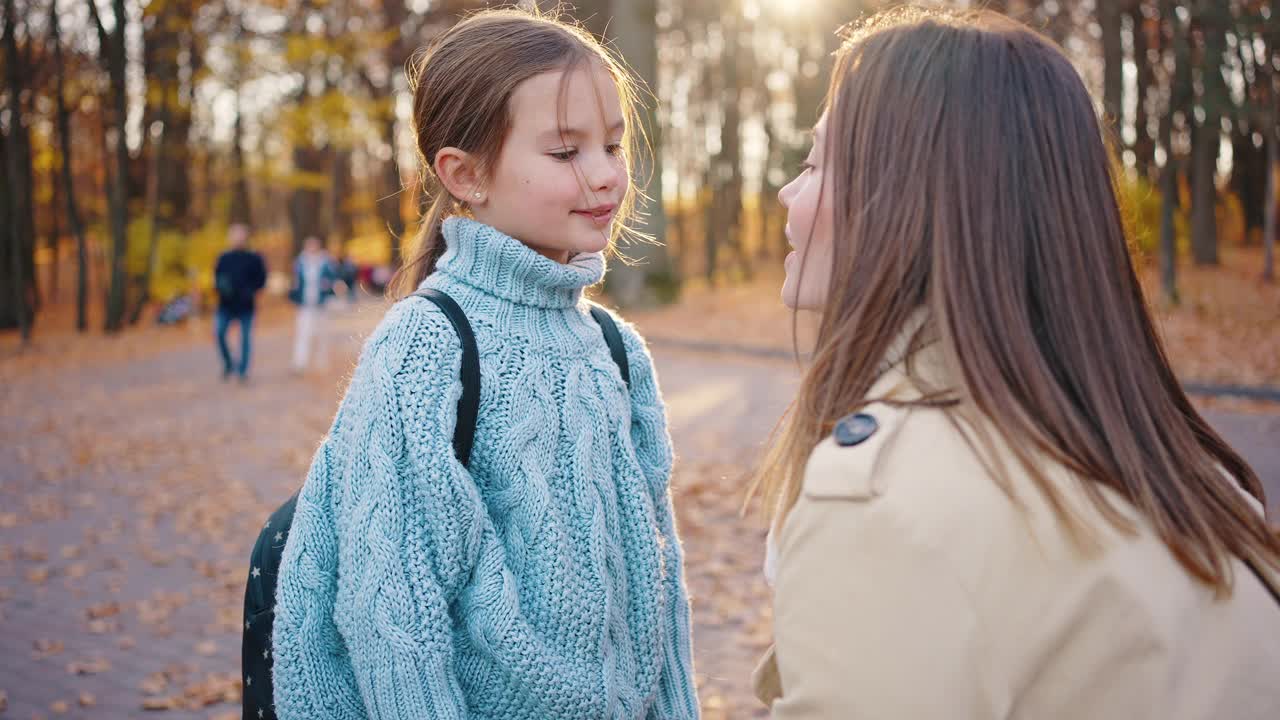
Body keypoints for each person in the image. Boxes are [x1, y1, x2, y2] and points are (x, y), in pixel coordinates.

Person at [751, 7, 1280, 719]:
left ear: (905, 196)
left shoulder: (887, 510)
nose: (788, 191)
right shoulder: (1191, 475)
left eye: (815, 162)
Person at [270, 9, 699, 719]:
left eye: (614, 146)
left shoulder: (618, 350)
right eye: (566, 153)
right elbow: (394, 618)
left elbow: (659, 585)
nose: (605, 177)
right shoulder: (429, 347)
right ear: (466, 175)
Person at [213, 223, 267, 382]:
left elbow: (262, 279)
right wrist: (222, 288)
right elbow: (217, 277)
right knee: (219, 333)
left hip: (246, 306)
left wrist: (251, 291)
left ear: (245, 237)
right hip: (225, 305)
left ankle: (243, 371)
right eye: (234, 235)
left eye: (240, 235)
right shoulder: (223, 258)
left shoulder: (254, 258)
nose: (237, 238)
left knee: (245, 339)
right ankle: (229, 363)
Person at [288, 236, 338, 373]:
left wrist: (328, 285)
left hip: (321, 304)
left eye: (314, 246)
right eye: (309, 246)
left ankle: (322, 362)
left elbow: (333, 278)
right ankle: (300, 363)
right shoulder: (300, 263)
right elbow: (295, 282)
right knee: (302, 333)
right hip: (305, 304)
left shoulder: (325, 262)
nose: (311, 248)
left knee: (322, 334)